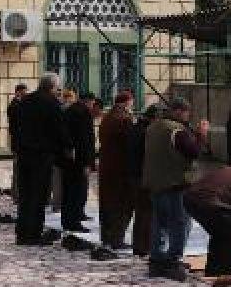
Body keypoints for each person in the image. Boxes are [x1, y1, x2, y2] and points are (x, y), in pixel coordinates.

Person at [142, 97, 208, 280]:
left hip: (156, 183)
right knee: (180, 223)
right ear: (179, 111)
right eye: (187, 112)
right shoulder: (176, 130)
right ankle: (173, 261)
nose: (188, 116)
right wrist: (202, 135)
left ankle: (156, 260)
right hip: (175, 184)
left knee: (160, 223)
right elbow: (194, 152)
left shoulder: (153, 127)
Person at [11, 73, 70, 245]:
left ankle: (22, 233)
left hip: (23, 154)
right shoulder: (51, 104)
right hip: (42, 156)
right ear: (52, 87)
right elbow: (59, 130)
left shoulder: (25, 101)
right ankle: (33, 234)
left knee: (25, 194)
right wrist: (67, 147)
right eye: (57, 88)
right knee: (39, 195)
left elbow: (15, 127)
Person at [98, 90, 138, 249]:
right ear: (127, 102)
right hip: (120, 168)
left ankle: (106, 237)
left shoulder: (107, 117)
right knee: (121, 205)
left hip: (106, 166)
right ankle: (116, 239)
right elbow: (130, 144)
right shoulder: (124, 119)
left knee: (107, 204)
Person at [61, 92, 100, 232]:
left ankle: (67, 220)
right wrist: (87, 163)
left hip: (69, 158)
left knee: (69, 191)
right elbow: (85, 141)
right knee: (77, 191)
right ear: (88, 101)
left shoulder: (70, 110)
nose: (93, 105)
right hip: (79, 160)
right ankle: (74, 222)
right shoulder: (83, 113)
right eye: (92, 103)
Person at [129, 104, 159, 256]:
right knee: (146, 212)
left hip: (136, 174)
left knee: (141, 213)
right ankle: (143, 246)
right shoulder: (146, 131)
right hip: (143, 175)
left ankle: (139, 245)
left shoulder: (137, 127)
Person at [50, 87, 78, 212]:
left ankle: (58, 204)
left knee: (57, 179)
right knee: (61, 179)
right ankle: (60, 204)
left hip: (57, 150)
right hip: (63, 149)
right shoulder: (68, 111)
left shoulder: (58, 109)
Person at [6, 83, 29, 202]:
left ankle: (17, 193)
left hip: (20, 142)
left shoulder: (18, 104)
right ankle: (17, 194)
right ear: (18, 92)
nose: (26, 94)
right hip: (18, 142)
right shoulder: (15, 105)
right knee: (18, 169)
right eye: (24, 92)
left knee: (19, 168)